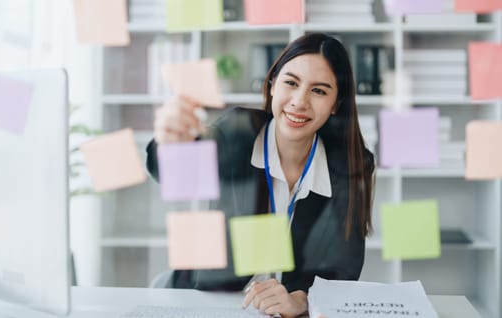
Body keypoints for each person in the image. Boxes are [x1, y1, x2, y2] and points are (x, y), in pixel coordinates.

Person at [146, 33, 375, 318]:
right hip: (212, 301)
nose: (299, 101)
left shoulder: (350, 163)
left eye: (319, 91)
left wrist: (302, 300)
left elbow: (345, 267)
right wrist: (170, 142)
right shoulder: (236, 132)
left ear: (335, 105)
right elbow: (172, 174)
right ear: (271, 86)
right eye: (290, 83)